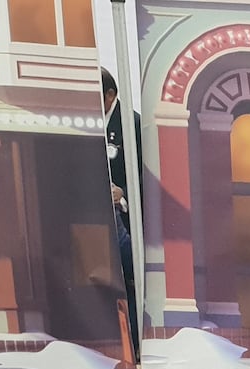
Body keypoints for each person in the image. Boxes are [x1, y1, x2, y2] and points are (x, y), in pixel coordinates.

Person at [101, 67, 141, 354]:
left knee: (131, 279)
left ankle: (137, 345)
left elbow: (148, 171)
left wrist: (124, 192)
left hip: (125, 217)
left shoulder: (131, 124)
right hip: (98, 220)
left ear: (110, 95)